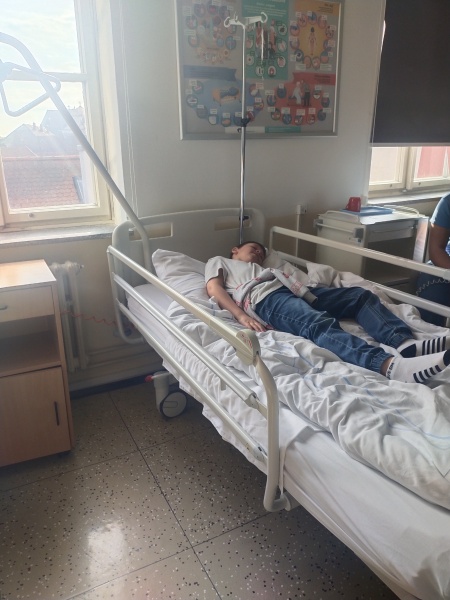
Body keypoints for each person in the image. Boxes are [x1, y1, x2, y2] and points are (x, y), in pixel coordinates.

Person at [205, 241, 450, 384]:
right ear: (235, 249)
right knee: (317, 323)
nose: (259, 252)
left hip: (298, 290)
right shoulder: (220, 261)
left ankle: (404, 343)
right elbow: (214, 288)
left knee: (359, 296)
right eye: (254, 248)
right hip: (265, 297)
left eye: (262, 251)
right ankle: (388, 365)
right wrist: (241, 316)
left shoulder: (266, 267)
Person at [416, 192, 450, 326]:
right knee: (431, 284)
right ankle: (430, 335)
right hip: (446, 264)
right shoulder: (447, 202)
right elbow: (436, 250)